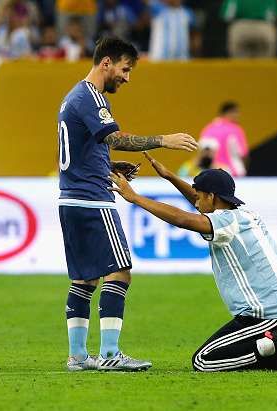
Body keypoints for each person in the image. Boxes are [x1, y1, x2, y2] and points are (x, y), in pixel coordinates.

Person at [109, 152, 277, 373]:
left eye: (200, 196)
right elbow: (197, 200)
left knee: (204, 361)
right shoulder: (244, 214)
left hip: (271, 315)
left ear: (212, 197)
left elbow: (184, 219)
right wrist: (170, 177)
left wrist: (135, 198)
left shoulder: (226, 222)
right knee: (216, 354)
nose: (195, 201)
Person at [58, 36, 198, 372]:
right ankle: (109, 354)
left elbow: (81, 148)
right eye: (125, 68)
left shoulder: (72, 98)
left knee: (85, 279)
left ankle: (78, 356)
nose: (127, 77)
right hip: (93, 201)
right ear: (106, 63)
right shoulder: (91, 98)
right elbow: (115, 138)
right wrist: (164, 140)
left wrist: (107, 166)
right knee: (120, 272)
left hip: (71, 197)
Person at [199, 102, 249, 177]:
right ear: (227, 113)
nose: (238, 115)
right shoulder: (235, 129)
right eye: (235, 112)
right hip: (234, 174)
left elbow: (203, 154)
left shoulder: (208, 128)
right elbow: (243, 154)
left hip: (211, 174)